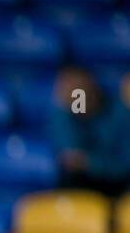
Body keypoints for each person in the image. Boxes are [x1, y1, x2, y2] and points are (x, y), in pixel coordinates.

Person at [49, 66, 130, 196]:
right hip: (85, 185)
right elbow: (70, 157)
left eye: (79, 90)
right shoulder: (67, 115)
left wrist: (90, 163)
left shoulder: (122, 113)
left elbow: (125, 165)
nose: (75, 97)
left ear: (93, 86)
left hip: (119, 186)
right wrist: (66, 113)